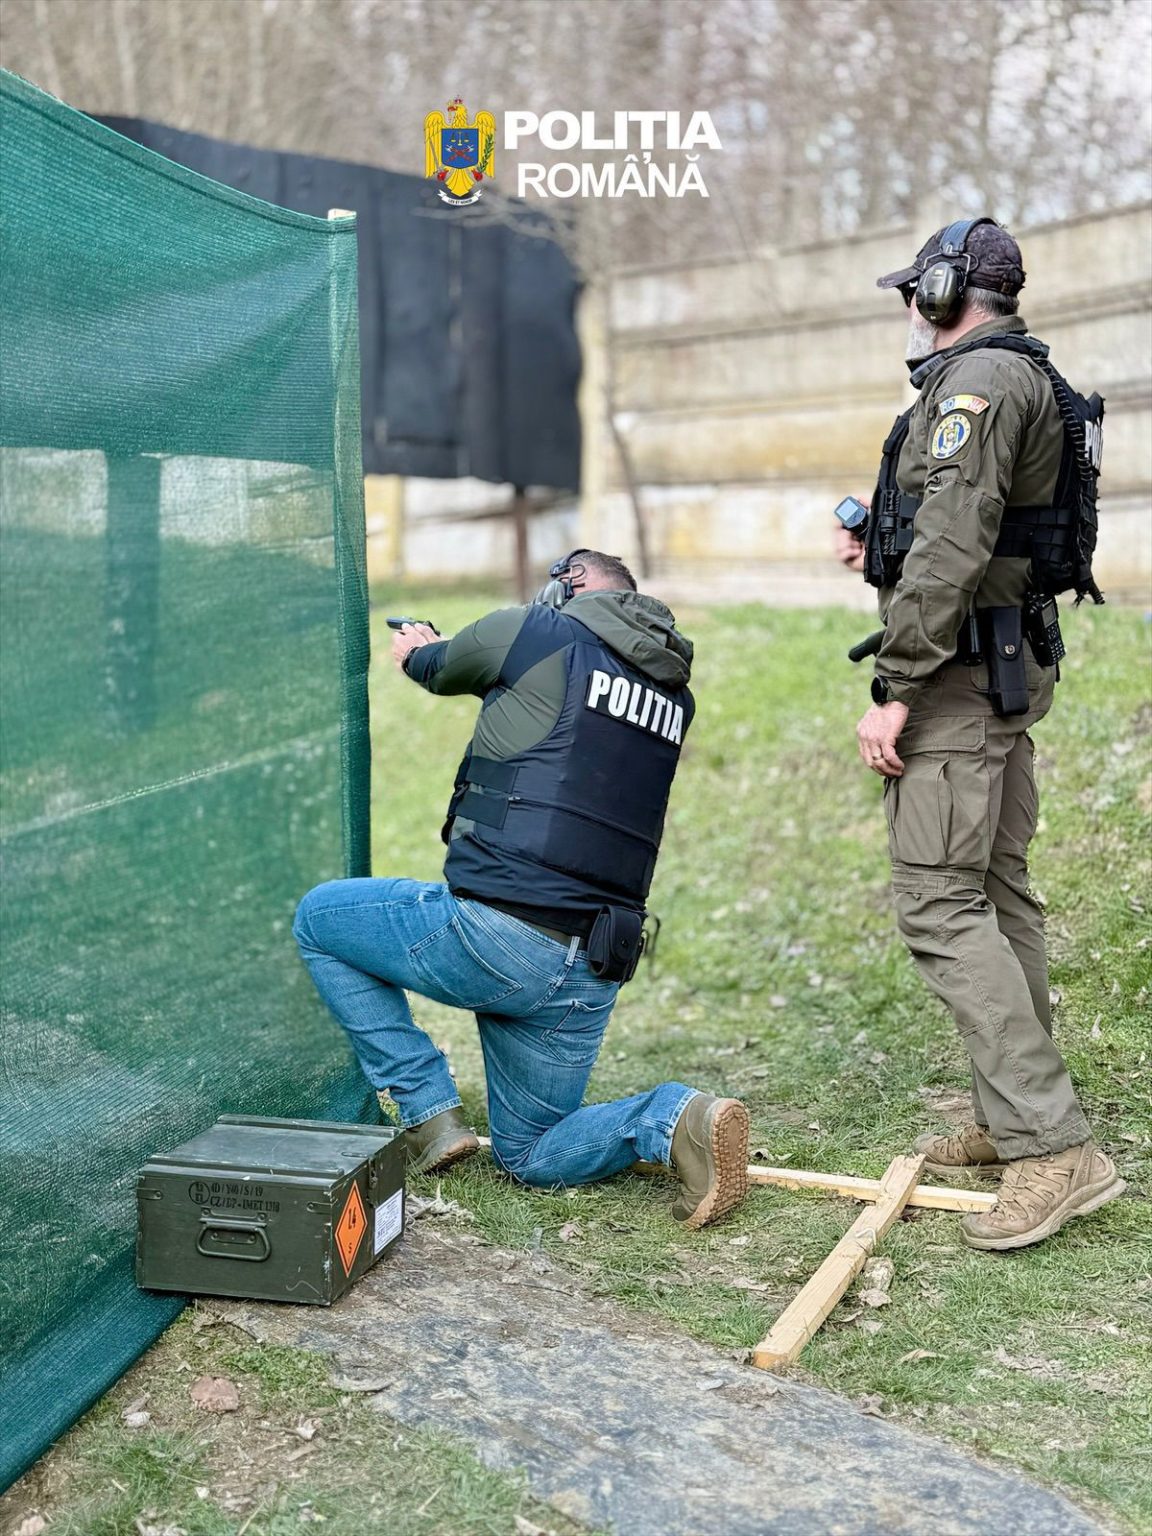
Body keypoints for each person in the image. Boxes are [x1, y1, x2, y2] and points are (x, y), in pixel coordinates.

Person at [293, 550, 750, 1230]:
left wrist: (420, 644)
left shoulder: (536, 631)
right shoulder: (672, 695)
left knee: (319, 921)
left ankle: (426, 1111)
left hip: (496, 937)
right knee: (531, 1152)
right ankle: (673, 1117)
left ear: (572, 584)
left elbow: (437, 668)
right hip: (592, 965)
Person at [852, 218, 1124, 1251]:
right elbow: (968, 531)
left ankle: (1054, 1149)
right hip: (1003, 662)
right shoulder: (1019, 377)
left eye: (911, 294)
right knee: (998, 894)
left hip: (958, 677)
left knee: (937, 900)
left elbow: (958, 541)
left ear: (941, 292)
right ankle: (1015, 1115)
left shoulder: (974, 388)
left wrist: (897, 683)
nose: (905, 313)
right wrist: (875, 540)